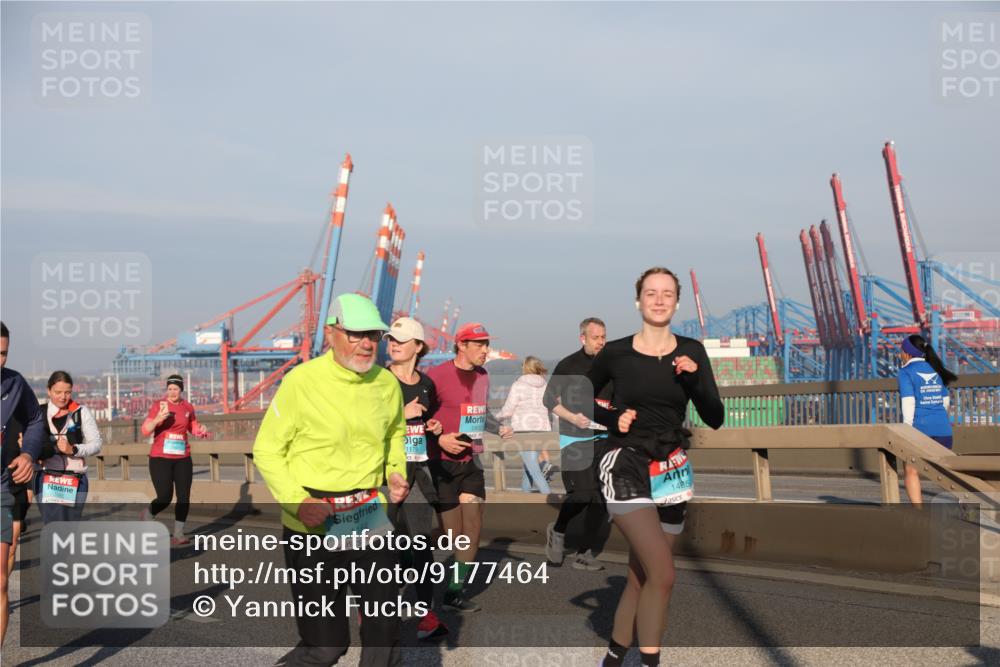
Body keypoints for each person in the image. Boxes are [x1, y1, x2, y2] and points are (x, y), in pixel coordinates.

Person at [254, 293, 408, 667]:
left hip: (368, 514)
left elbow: (395, 434)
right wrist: (297, 501)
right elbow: (267, 450)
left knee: (384, 631)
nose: (367, 343)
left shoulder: (386, 384)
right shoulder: (301, 381)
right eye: (355, 334)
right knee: (325, 647)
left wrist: (395, 469)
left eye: (373, 334)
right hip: (314, 518)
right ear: (331, 332)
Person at [587, 269, 724, 667]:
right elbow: (575, 395)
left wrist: (695, 380)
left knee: (642, 578)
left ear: (677, 302)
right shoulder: (615, 352)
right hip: (624, 462)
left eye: (667, 294)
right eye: (651, 293)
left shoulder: (692, 350)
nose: (659, 300)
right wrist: (612, 419)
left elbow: (714, 416)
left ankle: (614, 656)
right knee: (663, 574)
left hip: (672, 468)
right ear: (638, 301)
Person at [425, 322, 513, 613]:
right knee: (452, 535)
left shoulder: (483, 376)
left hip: (471, 460)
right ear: (461, 345)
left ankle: (454, 592)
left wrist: (498, 427)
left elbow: (481, 412)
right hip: (441, 463)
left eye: (487, 343)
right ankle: (412, 544)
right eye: (480, 344)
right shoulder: (436, 376)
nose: (486, 350)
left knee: (473, 528)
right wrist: (439, 438)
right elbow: (418, 420)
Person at [383, 316, 449, 641]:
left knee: (420, 544)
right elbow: (363, 425)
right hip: (384, 474)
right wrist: (400, 414)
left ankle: (426, 614)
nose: (392, 344)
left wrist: (432, 427)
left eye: (400, 340)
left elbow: (427, 418)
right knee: (382, 545)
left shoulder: (426, 384)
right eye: (390, 339)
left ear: (418, 347)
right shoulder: (377, 380)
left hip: (418, 473)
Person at [543, 317, 612, 571]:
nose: (601, 342)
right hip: (575, 439)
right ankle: (558, 530)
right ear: (583, 338)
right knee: (582, 495)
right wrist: (573, 417)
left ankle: (584, 554)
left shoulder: (612, 364)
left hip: (605, 439)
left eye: (604, 337)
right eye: (596, 338)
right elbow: (548, 399)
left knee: (602, 498)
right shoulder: (569, 365)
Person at [1, 321, 46, 647]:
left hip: (1, 488)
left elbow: (35, 419)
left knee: (0, 582)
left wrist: (29, 454)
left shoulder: (14, 383)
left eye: (2, 353)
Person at [139, 374, 208, 546]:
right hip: (160, 458)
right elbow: (145, 430)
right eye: (169, 389)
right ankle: (148, 514)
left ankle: (178, 533)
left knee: (183, 497)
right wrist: (158, 419)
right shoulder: (159, 405)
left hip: (183, 457)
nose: (172, 392)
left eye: (175, 389)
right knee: (165, 496)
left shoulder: (187, 407)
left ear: (181, 390)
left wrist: (201, 430)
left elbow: (192, 426)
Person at [897, 334, 957, 507]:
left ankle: (919, 513)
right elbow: (945, 402)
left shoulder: (906, 372)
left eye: (901, 350)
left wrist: (907, 429)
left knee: (911, 470)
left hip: (919, 430)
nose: (900, 354)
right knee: (948, 475)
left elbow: (908, 402)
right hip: (944, 430)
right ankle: (968, 509)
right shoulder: (936, 369)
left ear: (907, 353)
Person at [35, 371, 103, 522]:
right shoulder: (39, 413)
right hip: (47, 476)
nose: (63, 397)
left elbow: (96, 444)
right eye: (58, 392)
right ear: (49, 390)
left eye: (67, 392)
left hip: (75, 479)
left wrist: (74, 449)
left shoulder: (80, 412)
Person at [496, 356, 553, 494]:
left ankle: (549, 496)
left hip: (523, 430)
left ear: (525, 368)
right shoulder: (545, 385)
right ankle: (524, 496)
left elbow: (509, 408)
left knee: (533, 468)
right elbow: (552, 407)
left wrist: (495, 418)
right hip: (542, 430)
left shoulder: (519, 384)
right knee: (529, 467)